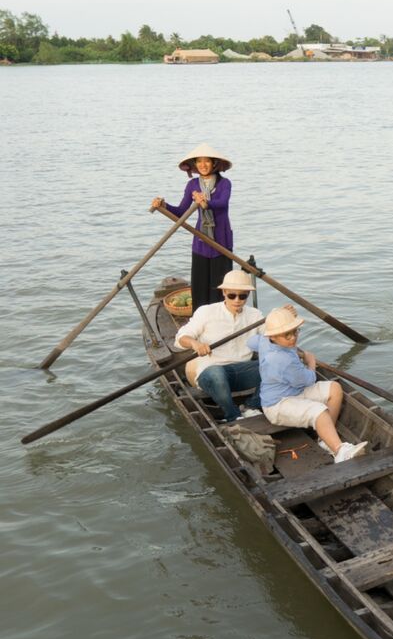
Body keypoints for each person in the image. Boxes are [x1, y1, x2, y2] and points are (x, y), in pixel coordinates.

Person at [247, 306, 367, 463]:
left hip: (295, 391)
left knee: (334, 389)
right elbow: (309, 379)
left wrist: (294, 350)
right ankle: (340, 452)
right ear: (274, 336)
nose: (293, 338)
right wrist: (310, 362)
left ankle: (325, 440)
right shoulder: (282, 360)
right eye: (286, 334)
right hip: (278, 405)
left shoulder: (264, 340)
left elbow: (250, 342)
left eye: (295, 331)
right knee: (319, 411)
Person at [151, 143, 234, 308]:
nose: (203, 165)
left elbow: (222, 203)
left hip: (221, 241)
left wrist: (205, 202)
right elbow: (181, 211)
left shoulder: (225, 183)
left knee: (220, 286)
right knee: (200, 285)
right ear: (195, 165)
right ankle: (199, 319)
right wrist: (163, 205)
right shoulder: (192, 185)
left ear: (214, 163)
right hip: (201, 241)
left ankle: (220, 321)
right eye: (199, 161)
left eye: (207, 161)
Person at [175, 270, 262, 424]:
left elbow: (274, 336)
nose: (237, 300)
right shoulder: (206, 312)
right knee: (217, 374)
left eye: (242, 296)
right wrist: (195, 343)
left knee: (274, 366)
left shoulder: (255, 315)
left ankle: (251, 406)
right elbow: (182, 337)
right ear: (224, 292)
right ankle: (233, 415)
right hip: (211, 372)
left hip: (240, 370)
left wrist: (283, 317)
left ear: (248, 295)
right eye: (232, 295)